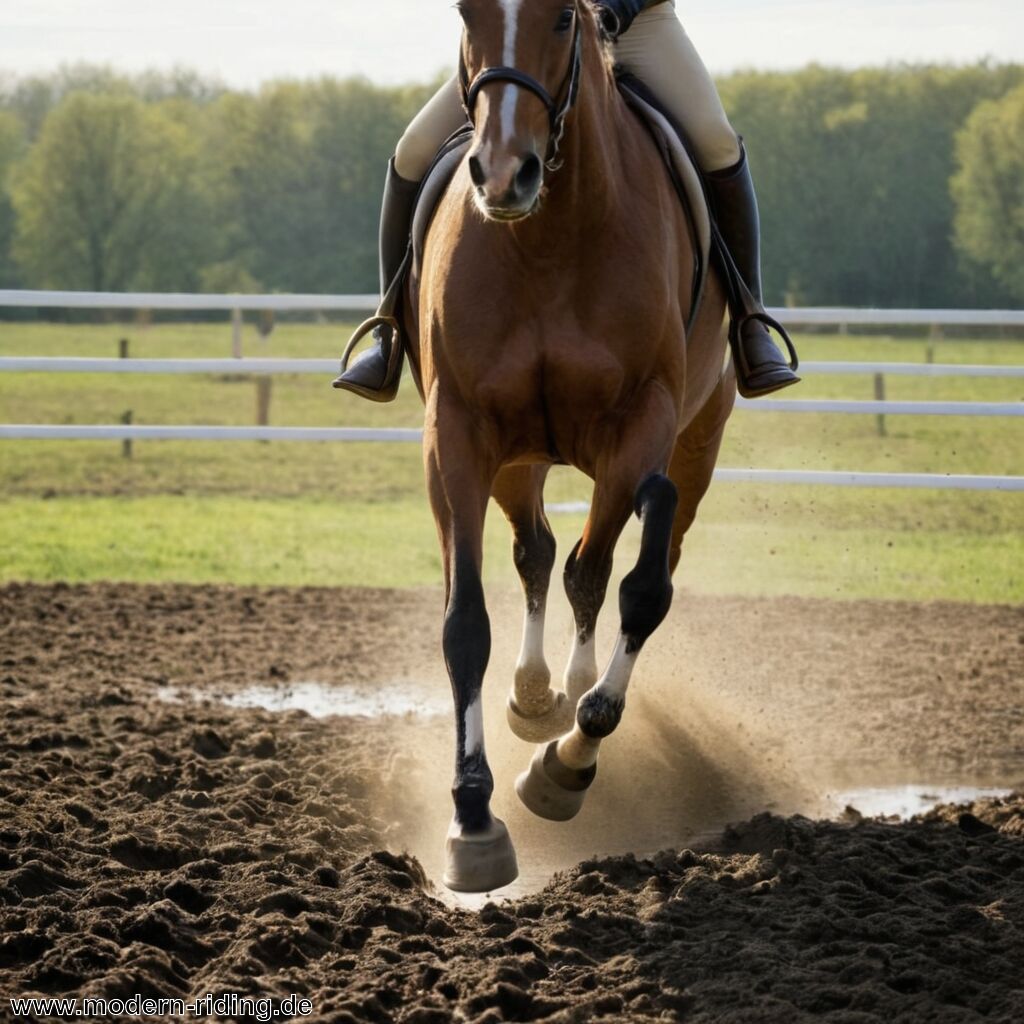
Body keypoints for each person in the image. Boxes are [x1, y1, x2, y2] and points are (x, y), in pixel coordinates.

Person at [335, 0, 799, 401]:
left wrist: (612, 8)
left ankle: (749, 323)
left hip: (638, 29)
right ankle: (388, 332)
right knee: (413, 150)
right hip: (533, 34)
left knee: (717, 142)